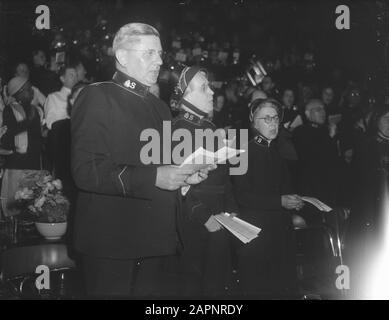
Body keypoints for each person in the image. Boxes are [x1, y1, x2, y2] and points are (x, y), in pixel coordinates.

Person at [71, 23, 212, 298]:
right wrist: (157, 177)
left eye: (159, 54)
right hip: (112, 243)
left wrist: (184, 177)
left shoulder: (159, 108)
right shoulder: (97, 95)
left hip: (156, 242)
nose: (159, 61)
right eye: (149, 53)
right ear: (122, 57)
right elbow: (86, 171)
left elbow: (161, 168)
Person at [171, 66, 239, 297]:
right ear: (186, 95)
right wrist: (204, 216)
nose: (212, 92)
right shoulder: (176, 129)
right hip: (197, 220)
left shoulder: (210, 128)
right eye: (204, 87)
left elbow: (224, 176)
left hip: (220, 215)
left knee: (218, 283)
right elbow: (179, 186)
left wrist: (232, 211)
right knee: (196, 286)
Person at [232, 98, 302, 297]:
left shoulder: (278, 153)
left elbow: (283, 190)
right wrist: (279, 201)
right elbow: (241, 196)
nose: (273, 123)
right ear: (254, 122)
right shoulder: (241, 152)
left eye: (276, 118)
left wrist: (294, 200)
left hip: (280, 232)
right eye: (267, 118)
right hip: (257, 234)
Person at [0, 77, 43, 218]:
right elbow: (9, 133)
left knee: (33, 206)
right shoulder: (9, 109)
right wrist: (27, 121)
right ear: (18, 92)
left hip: (33, 163)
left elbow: (37, 138)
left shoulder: (35, 110)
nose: (31, 92)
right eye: (28, 89)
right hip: (17, 163)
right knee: (14, 207)